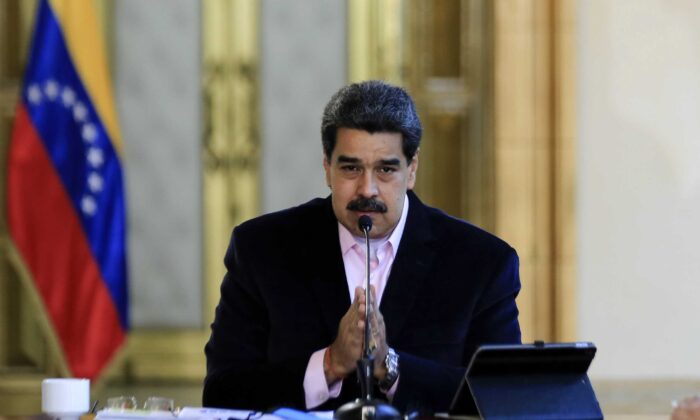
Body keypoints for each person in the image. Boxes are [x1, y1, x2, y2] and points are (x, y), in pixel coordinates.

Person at [203, 80, 521, 413]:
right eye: (351, 168)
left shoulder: (482, 263)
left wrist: (390, 366)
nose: (366, 189)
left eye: (385, 169)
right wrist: (330, 364)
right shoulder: (261, 249)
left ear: (412, 169)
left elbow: (502, 400)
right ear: (327, 166)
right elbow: (222, 392)